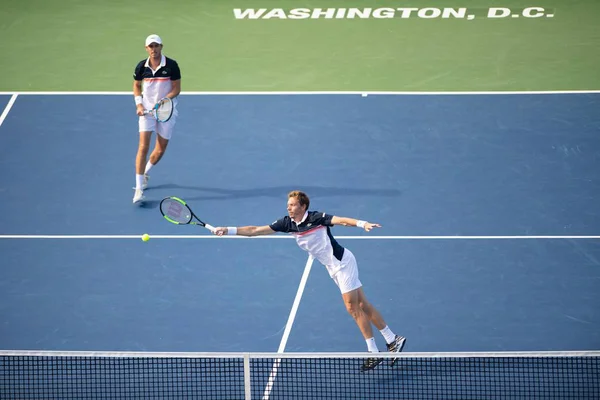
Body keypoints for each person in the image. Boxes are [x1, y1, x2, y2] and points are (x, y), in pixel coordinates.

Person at [213, 191, 406, 371]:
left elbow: (340, 220)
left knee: (352, 307)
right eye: (288, 205)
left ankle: (373, 351)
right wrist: (228, 230)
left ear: (303, 206)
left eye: (292, 205)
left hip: (342, 263)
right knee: (362, 303)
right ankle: (392, 339)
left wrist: (362, 223)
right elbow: (254, 230)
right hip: (333, 267)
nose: (288, 208)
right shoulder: (287, 223)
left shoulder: (316, 218)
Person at [132, 34, 181, 203]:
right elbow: (136, 85)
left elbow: (177, 88)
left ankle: (145, 173)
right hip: (147, 111)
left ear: (161, 47)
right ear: (146, 48)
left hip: (166, 111)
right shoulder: (141, 67)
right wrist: (139, 104)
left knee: (160, 150)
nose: (154, 49)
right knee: (143, 147)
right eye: (150, 46)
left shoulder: (172, 65)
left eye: (156, 46)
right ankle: (138, 189)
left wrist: (164, 101)